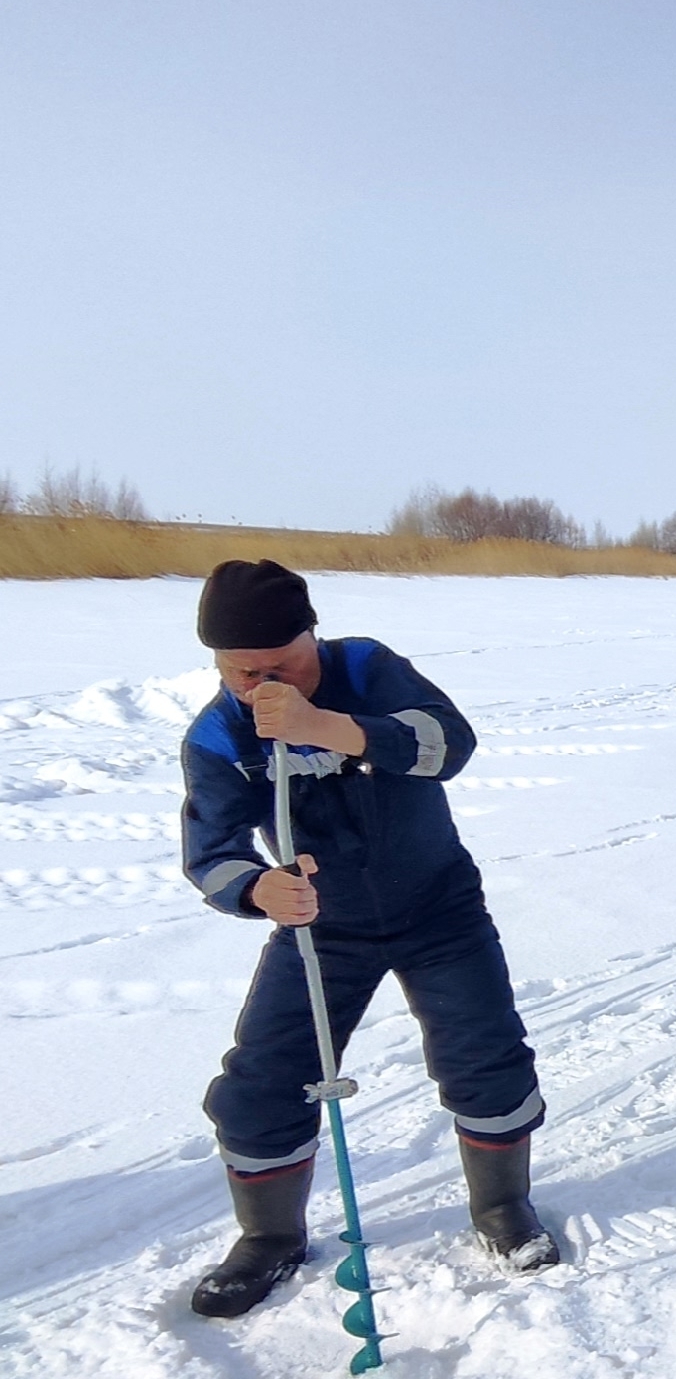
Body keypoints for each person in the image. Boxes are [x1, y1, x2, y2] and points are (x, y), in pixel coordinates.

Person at [180, 559, 557, 1317]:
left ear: (312, 638)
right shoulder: (219, 735)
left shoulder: (367, 668)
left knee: (484, 1053)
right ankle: (269, 1238)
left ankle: (501, 1207)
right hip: (322, 931)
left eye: (282, 664)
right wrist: (257, 888)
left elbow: (450, 744)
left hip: (439, 909)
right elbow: (210, 851)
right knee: (261, 1081)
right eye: (241, 671)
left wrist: (329, 729)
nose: (262, 684)